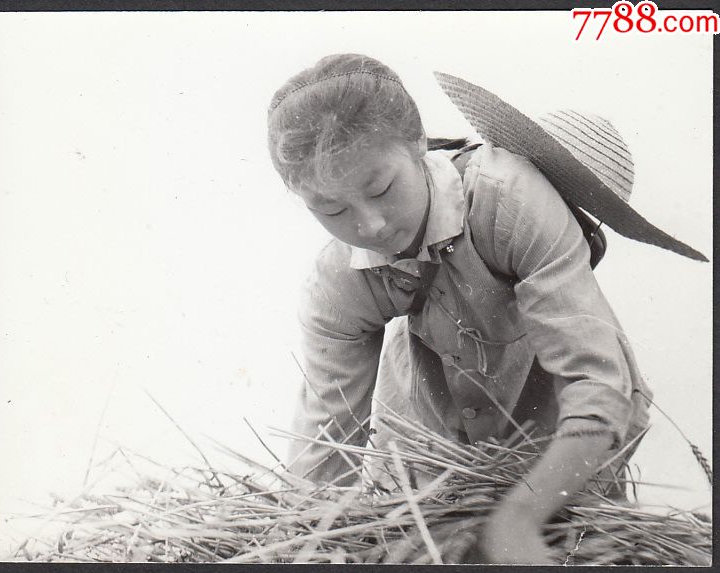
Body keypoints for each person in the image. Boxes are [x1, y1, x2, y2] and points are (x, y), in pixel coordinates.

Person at [265, 53, 706, 564]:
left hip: (563, 473)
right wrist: (305, 542)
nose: (371, 227)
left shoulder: (512, 203)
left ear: (417, 145)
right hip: (423, 474)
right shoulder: (338, 281)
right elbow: (327, 442)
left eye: (382, 190)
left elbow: (600, 390)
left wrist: (519, 520)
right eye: (332, 209)